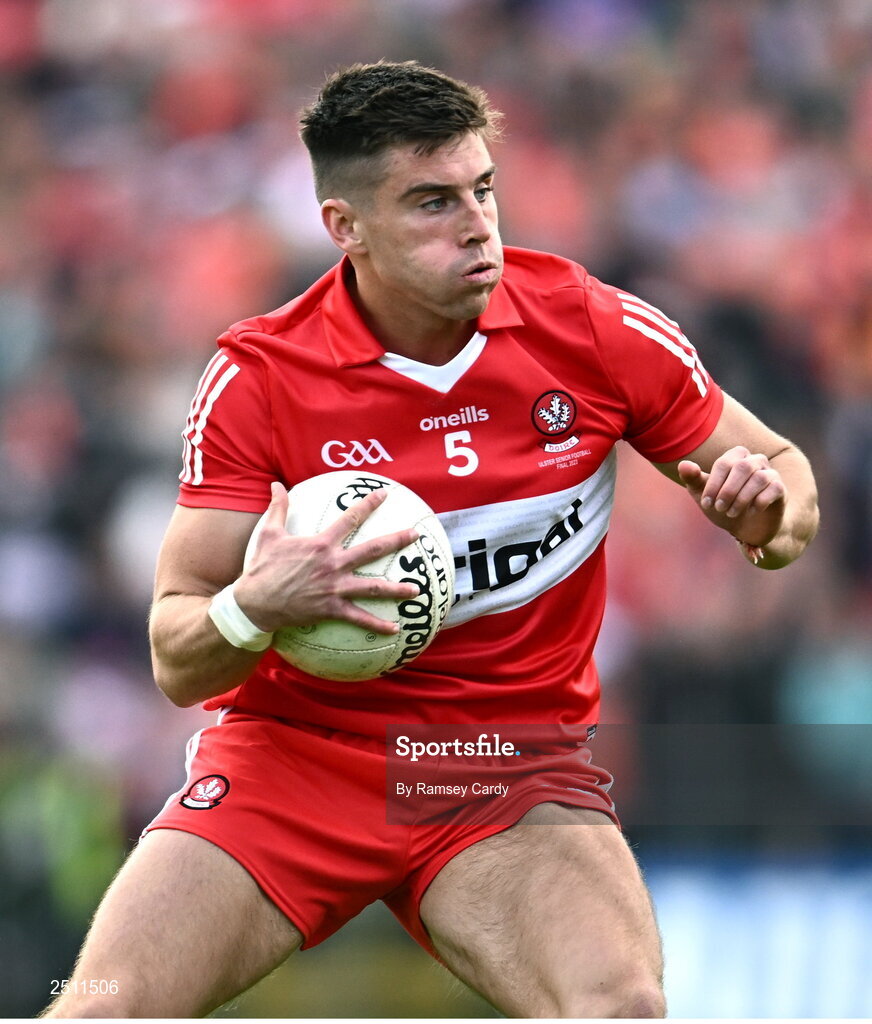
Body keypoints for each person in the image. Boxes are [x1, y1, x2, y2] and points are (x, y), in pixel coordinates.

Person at [44, 61, 819, 1019]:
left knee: (622, 1008)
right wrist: (258, 605)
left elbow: (786, 481)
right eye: (431, 201)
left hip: (503, 768)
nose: (477, 222)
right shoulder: (258, 377)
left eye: (483, 189)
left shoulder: (592, 326)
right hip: (295, 760)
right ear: (345, 226)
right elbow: (176, 653)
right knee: (98, 1011)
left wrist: (766, 521)